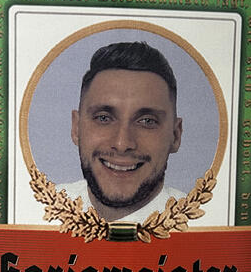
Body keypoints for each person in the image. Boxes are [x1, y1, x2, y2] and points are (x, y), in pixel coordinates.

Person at [58, 41, 184, 222]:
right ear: (76, 128)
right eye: (103, 118)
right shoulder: (35, 211)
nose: (122, 144)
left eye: (147, 121)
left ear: (175, 136)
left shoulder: (207, 222)